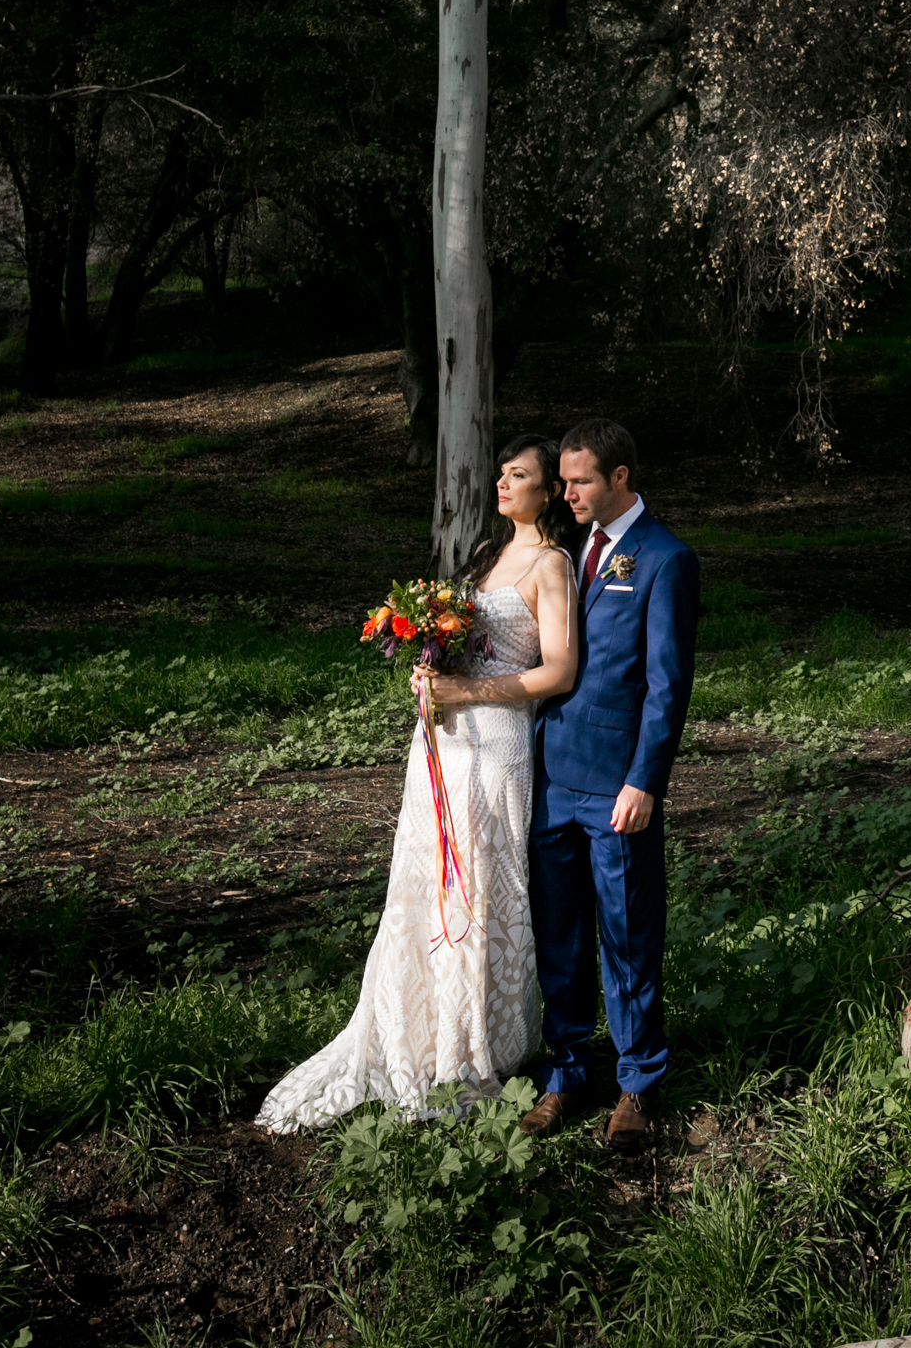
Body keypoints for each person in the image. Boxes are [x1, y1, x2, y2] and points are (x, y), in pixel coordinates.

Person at [255, 437, 579, 1128]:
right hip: (443, 743)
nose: (500, 483)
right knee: (427, 882)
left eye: (517, 476)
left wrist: (467, 690)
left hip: (495, 745)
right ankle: (425, 1030)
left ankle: (479, 1041)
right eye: (500, 473)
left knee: (484, 888)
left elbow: (559, 672)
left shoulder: (551, 566)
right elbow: (458, 642)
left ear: (549, 492)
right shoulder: (488, 558)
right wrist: (427, 670)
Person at [520, 417, 700, 1152]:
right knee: (559, 938)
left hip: (616, 787)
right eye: (563, 481)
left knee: (626, 935)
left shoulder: (664, 559)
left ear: (621, 476)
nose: (567, 494)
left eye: (581, 481)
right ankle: (565, 1075)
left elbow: (667, 686)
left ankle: (636, 1085)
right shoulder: (567, 556)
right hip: (551, 777)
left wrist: (644, 782)